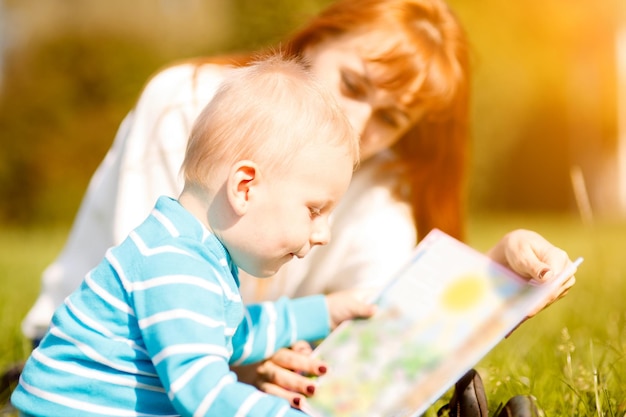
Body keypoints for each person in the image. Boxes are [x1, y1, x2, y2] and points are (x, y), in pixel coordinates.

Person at [15, 0, 577, 408]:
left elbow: (382, 325)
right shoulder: (189, 108)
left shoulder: (379, 185)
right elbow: (177, 337)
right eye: (354, 85)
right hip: (108, 374)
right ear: (313, 43)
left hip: (227, 363)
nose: (360, 126)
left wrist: (493, 280)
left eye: (392, 118)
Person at [11, 54, 376, 417]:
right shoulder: (177, 263)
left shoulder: (191, 251)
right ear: (245, 188)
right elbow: (204, 395)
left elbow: (235, 333)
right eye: (314, 210)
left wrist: (325, 312)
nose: (323, 234)